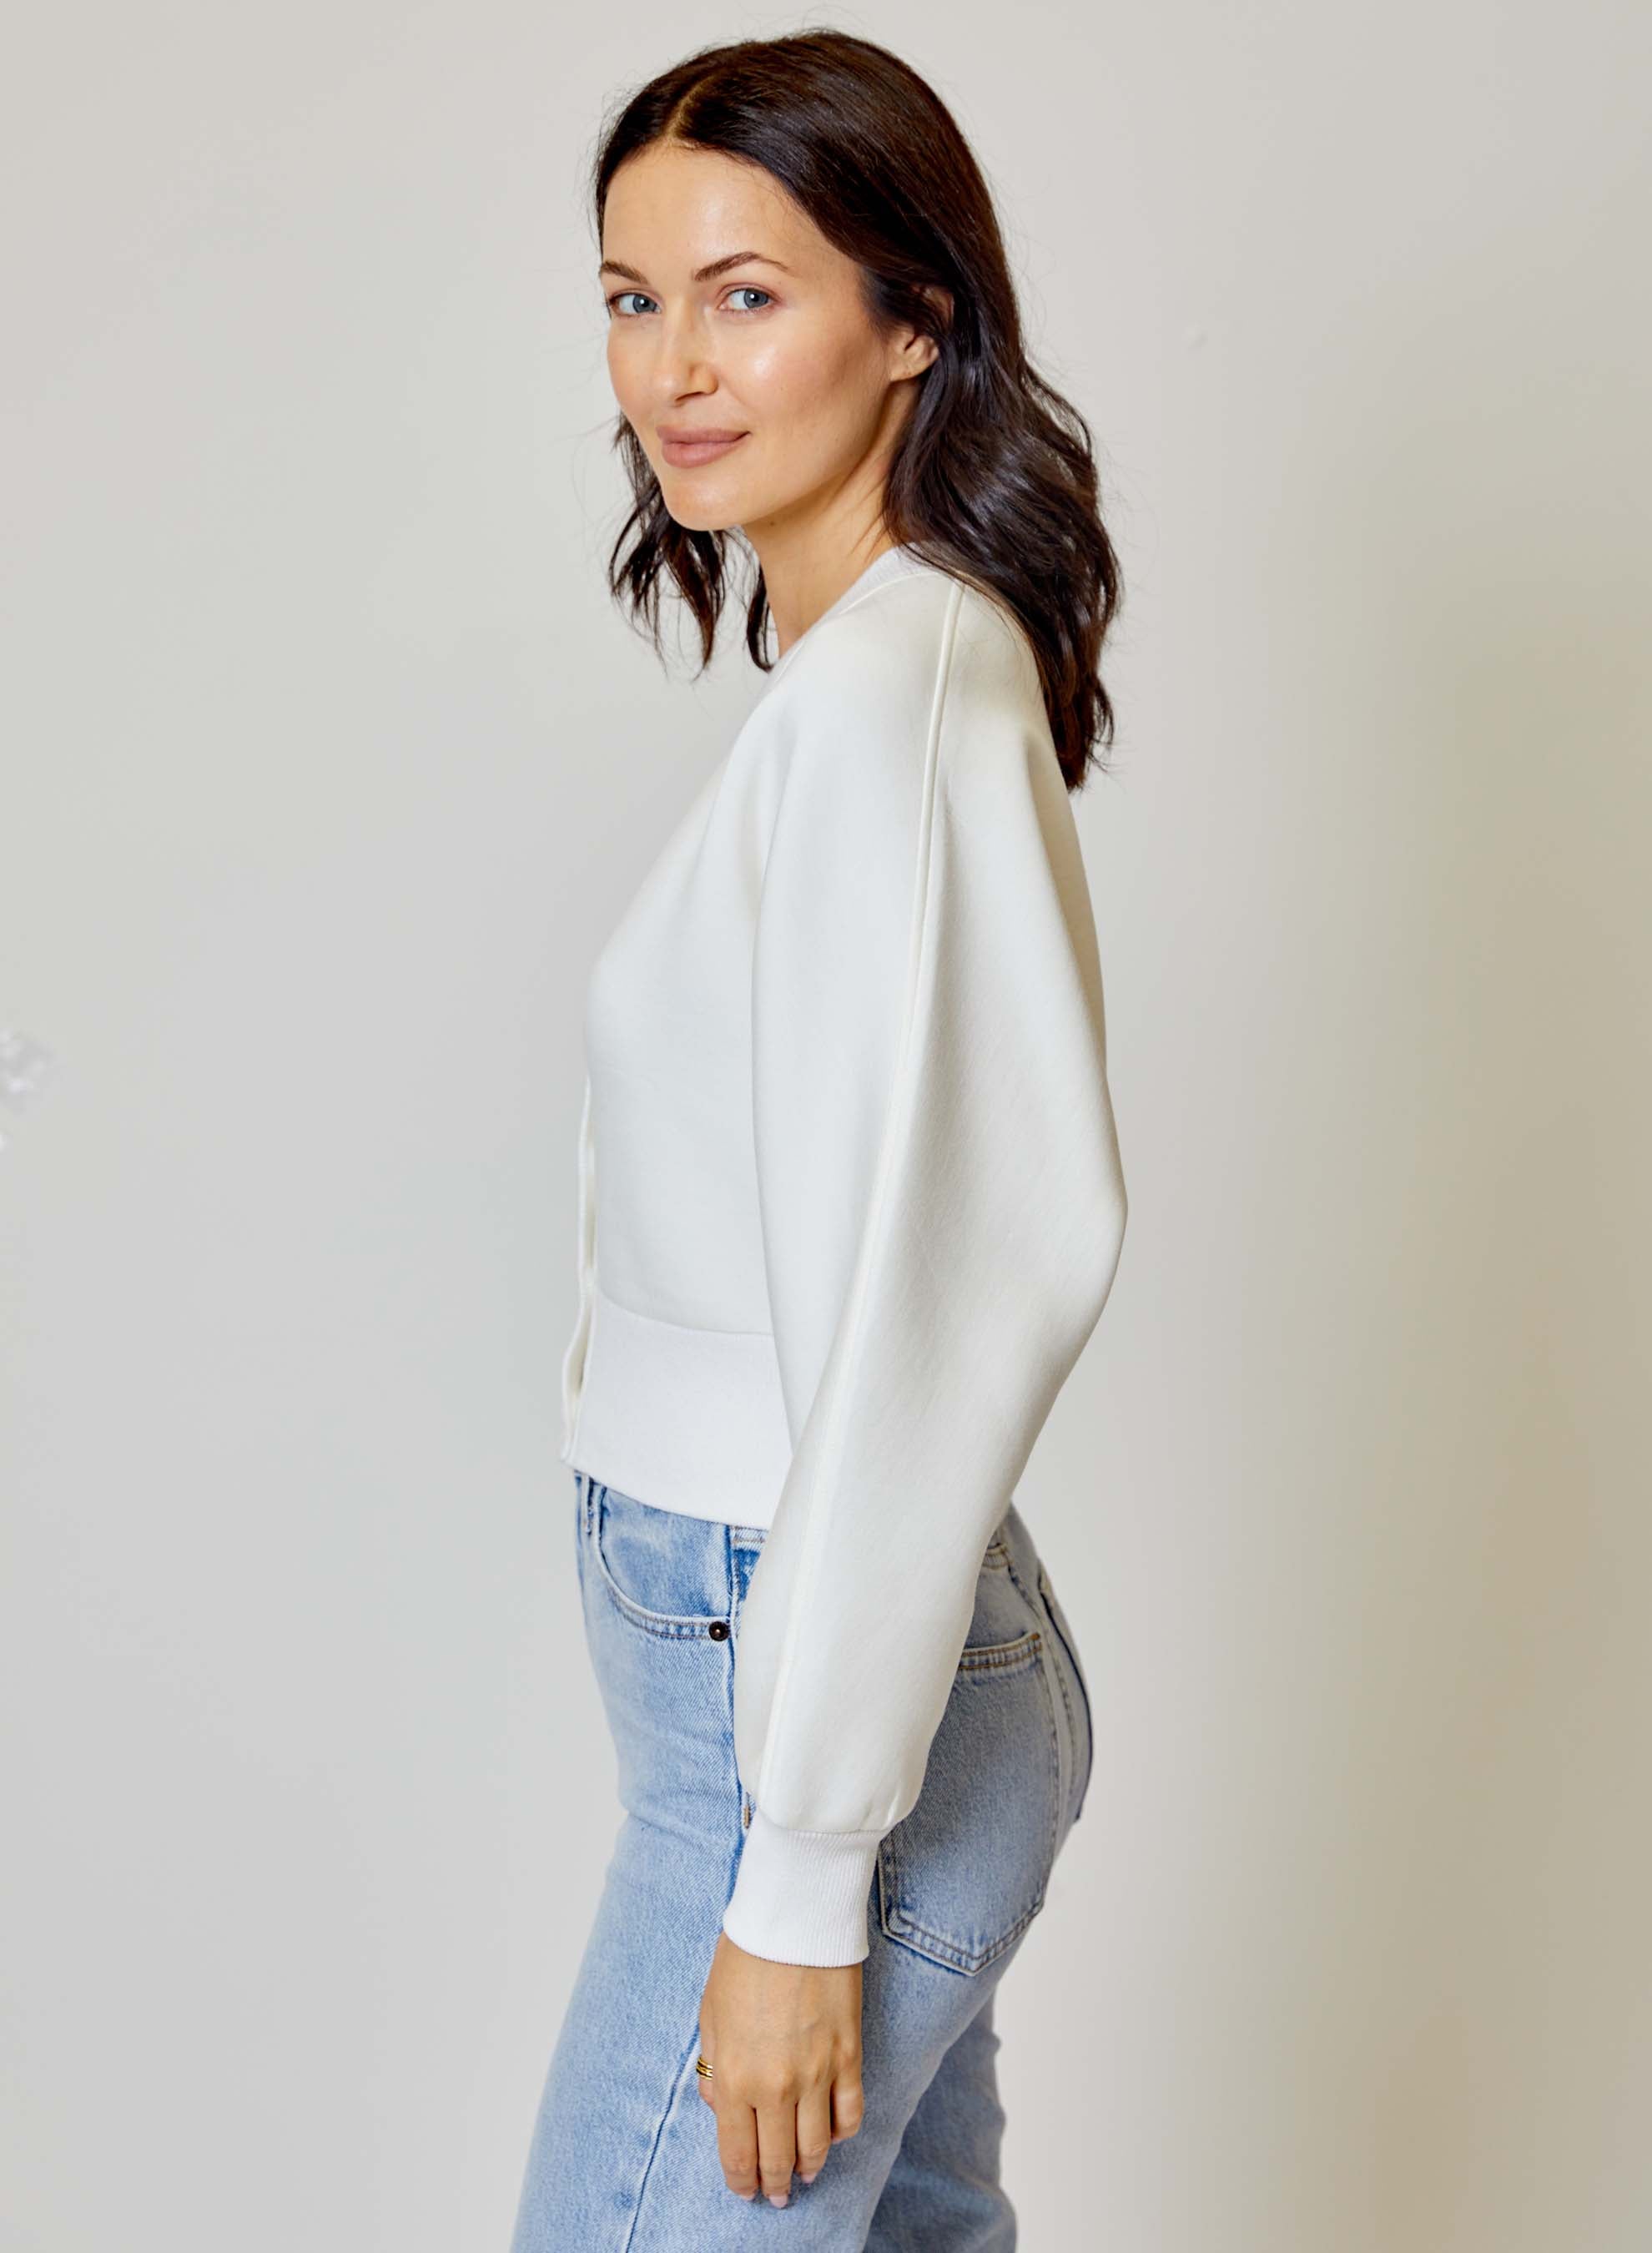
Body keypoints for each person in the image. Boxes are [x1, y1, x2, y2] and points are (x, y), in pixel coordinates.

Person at [509, 28, 1129, 2248]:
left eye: (747, 295)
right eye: (632, 296)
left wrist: (793, 1884)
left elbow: (953, 1280)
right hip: (811, 1668)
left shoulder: (895, 698)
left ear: (912, 320)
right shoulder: (863, 675)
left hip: (810, 1723)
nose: (673, 365)